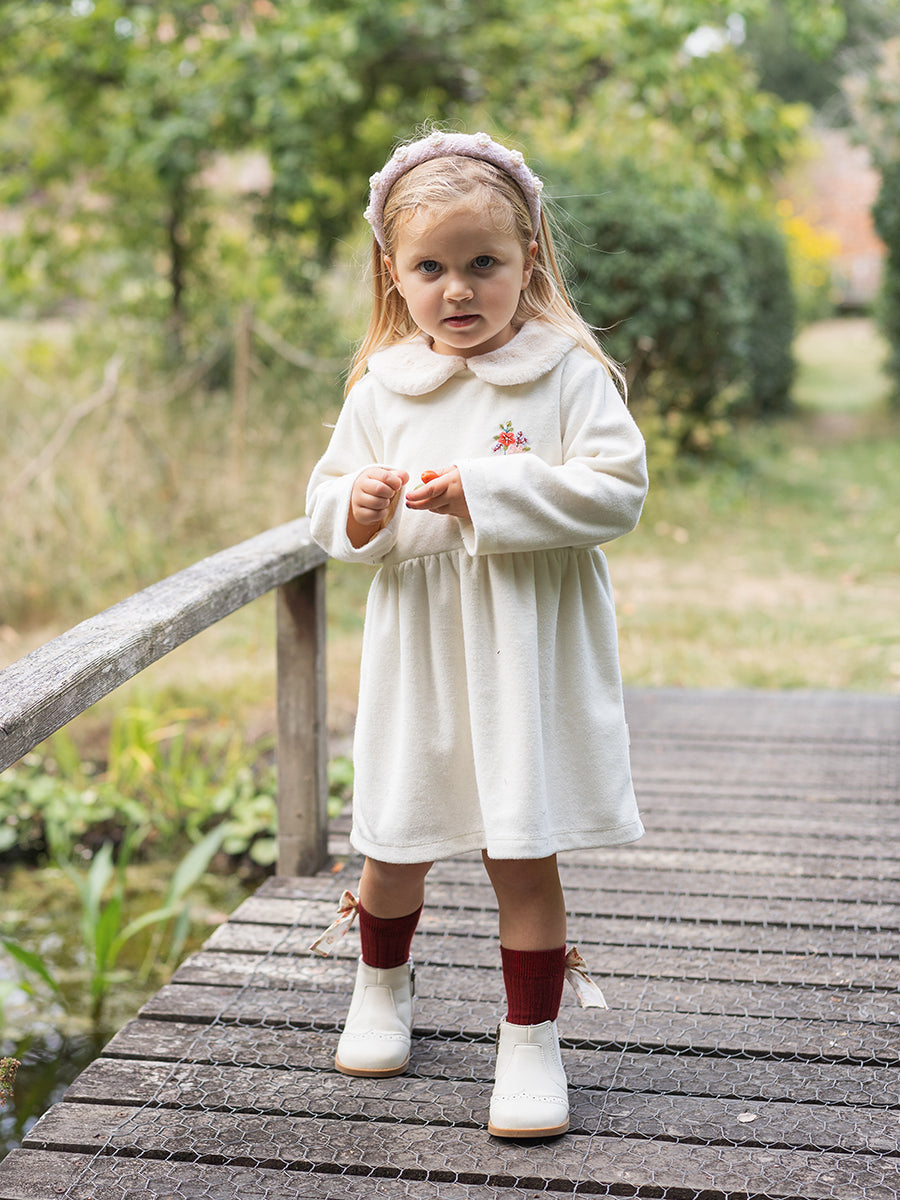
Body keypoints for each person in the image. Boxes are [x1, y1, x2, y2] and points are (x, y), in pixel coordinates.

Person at [306, 128, 648, 1139]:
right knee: (395, 837)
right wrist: (357, 509)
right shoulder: (383, 386)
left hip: (521, 656)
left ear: (528, 258)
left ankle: (530, 1040)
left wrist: (488, 491)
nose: (458, 290)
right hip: (420, 656)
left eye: (484, 263)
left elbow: (617, 490)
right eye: (431, 269)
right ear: (394, 272)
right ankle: (381, 988)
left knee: (520, 847)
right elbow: (326, 503)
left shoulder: (566, 373)